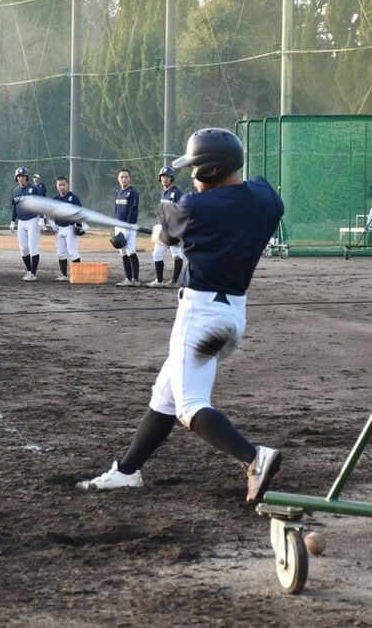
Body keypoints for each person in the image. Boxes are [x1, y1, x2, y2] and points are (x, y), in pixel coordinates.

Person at [77, 127, 285, 504]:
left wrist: (163, 233)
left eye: (195, 167)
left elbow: (172, 226)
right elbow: (207, 219)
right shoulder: (266, 197)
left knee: (190, 406)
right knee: (166, 396)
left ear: (210, 169)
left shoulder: (194, 207)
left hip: (200, 314)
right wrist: (172, 233)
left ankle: (254, 457)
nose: (191, 174)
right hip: (233, 315)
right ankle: (126, 471)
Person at [148, 166, 185, 287]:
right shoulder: (162, 193)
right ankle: (159, 280)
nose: (165, 179)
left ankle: (174, 281)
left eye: (167, 176)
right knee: (157, 254)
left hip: (174, 229)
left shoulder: (177, 193)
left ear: (172, 178)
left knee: (177, 254)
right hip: (163, 229)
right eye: (162, 176)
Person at [10, 166, 43, 281]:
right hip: (21, 221)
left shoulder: (34, 189)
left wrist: (42, 218)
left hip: (33, 219)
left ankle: (33, 274)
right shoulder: (15, 191)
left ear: (27, 177)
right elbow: (15, 208)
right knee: (23, 249)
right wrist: (12, 221)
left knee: (33, 247)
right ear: (16, 178)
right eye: (19, 176)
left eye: (23, 176)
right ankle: (29, 271)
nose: (21, 178)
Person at [50, 177, 84, 282]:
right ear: (57, 186)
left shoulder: (73, 198)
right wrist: (51, 222)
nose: (62, 187)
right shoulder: (55, 199)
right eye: (59, 185)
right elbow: (50, 212)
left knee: (73, 252)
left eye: (63, 184)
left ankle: (77, 275)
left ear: (67, 185)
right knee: (61, 253)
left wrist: (79, 226)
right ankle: (64, 275)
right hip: (59, 229)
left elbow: (79, 212)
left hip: (69, 228)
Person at [114, 168, 141, 286]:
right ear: (118, 179)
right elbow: (117, 210)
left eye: (126, 177)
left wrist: (128, 225)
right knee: (123, 251)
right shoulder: (118, 192)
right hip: (118, 225)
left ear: (130, 179)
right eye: (122, 177)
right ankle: (128, 278)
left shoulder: (133, 192)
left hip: (129, 225)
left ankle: (135, 279)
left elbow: (133, 210)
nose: (124, 179)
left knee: (131, 251)